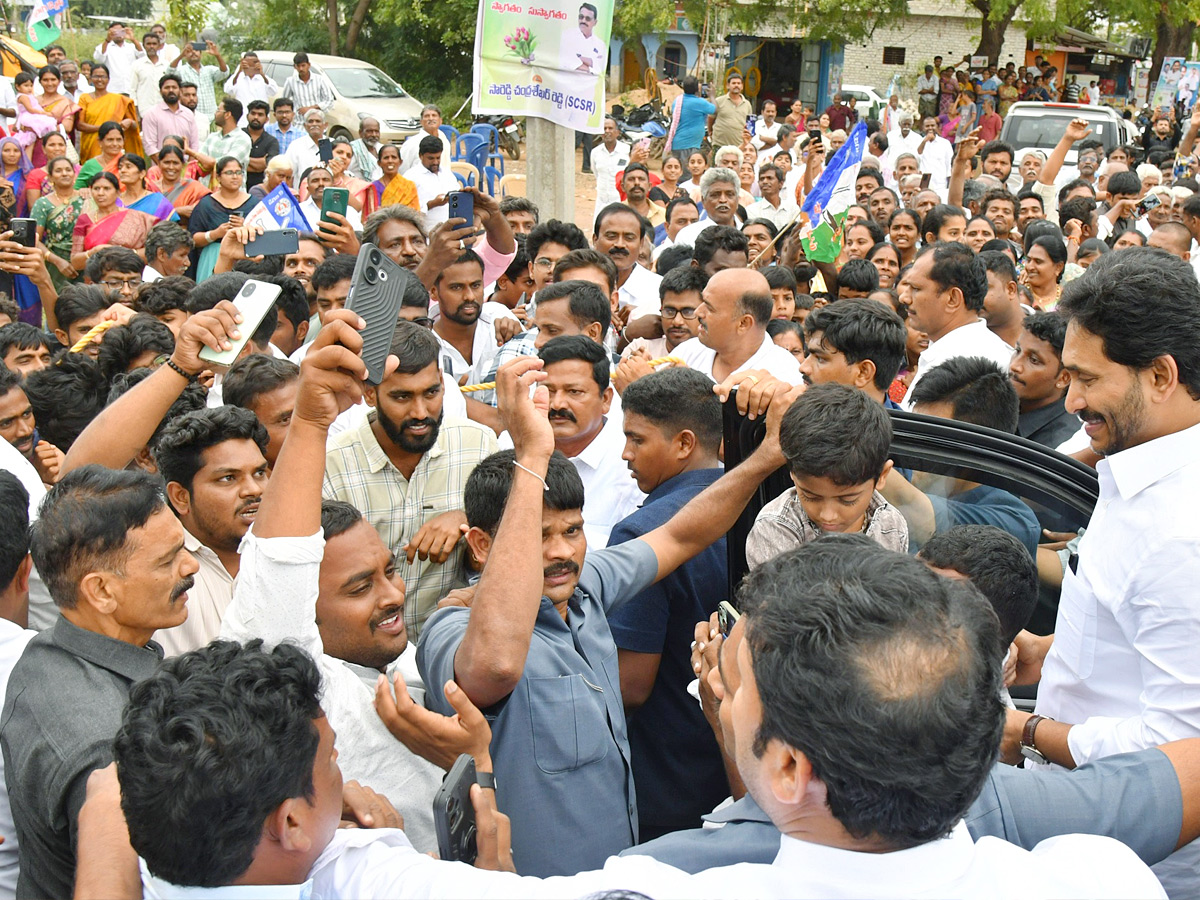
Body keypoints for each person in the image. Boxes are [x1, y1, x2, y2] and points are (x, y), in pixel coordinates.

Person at [1006, 247, 1200, 895]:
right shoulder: (1136, 460)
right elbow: (1140, 630)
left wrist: (1030, 731)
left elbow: (1180, 746)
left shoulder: (1181, 531)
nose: (1074, 397)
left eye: (1088, 378)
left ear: (1161, 375)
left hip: (1142, 863)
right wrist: (1049, 653)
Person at [0, 465, 200, 898]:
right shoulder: (107, 747)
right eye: (168, 560)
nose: (191, 565)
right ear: (102, 592)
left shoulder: (50, 650)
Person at [604, 367, 730, 840]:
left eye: (636, 439)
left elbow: (630, 685)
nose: (625, 453)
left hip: (668, 780)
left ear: (683, 443)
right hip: (742, 772)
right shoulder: (762, 506)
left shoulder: (642, 534)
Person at [322, 321, 497, 637]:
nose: (420, 412)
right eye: (402, 397)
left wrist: (469, 518)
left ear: (444, 383)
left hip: (453, 646)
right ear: (370, 394)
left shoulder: (479, 445)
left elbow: (509, 539)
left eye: (431, 392)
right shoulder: (333, 465)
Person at [746, 383, 907, 569]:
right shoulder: (776, 528)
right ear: (792, 473)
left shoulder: (891, 526)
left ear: (882, 476)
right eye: (810, 496)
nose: (828, 515)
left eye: (847, 500)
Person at [901, 242, 1016, 408]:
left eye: (916, 288)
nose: (904, 298)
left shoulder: (974, 368)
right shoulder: (946, 348)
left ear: (953, 299)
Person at [673, 267, 803, 383]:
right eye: (703, 302)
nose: (698, 312)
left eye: (710, 308)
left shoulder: (783, 375)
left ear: (743, 323)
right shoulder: (687, 352)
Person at [1008, 310, 1078, 449]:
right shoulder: (1001, 407)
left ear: (1064, 378)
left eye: (1033, 360)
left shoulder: (1060, 446)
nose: (1015, 365)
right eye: (1017, 350)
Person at [70, 172, 157, 274]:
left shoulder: (137, 218)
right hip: (96, 281)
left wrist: (120, 253)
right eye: (96, 188)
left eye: (106, 189)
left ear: (118, 192)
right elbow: (75, 262)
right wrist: (93, 252)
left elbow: (152, 252)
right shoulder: (84, 219)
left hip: (130, 276)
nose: (100, 193)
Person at [187, 156, 255, 280]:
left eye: (238, 172)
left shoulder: (254, 203)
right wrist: (215, 234)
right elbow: (193, 239)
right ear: (218, 177)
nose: (235, 176)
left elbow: (263, 232)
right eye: (229, 173)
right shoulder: (206, 204)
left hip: (246, 258)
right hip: (213, 256)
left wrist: (245, 227)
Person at [31, 155, 84, 290]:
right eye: (59, 171)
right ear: (50, 177)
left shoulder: (86, 199)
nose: (64, 173)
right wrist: (57, 261)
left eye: (68, 170)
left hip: (85, 260)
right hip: (55, 264)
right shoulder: (43, 203)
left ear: (74, 174)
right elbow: (34, 239)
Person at [76, 65, 143, 164]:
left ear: (108, 79)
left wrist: (129, 121)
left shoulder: (119, 100)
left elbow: (134, 126)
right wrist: (105, 129)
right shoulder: (84, 98)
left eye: (103, 76)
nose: (99, 79)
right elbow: (80, 125)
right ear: (90, 78)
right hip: (90, 146)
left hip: (113, 145)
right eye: (96, 76)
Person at [191, 97, 252, 189]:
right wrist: (208, 162)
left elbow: (225, 164)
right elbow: (200, 163)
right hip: (207, 194)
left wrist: (190, 151)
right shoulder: (212, 137)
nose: (215, 113)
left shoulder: (243, 139)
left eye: (218, 110)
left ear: (227, 114)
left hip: (233, 197)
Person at [140, 73, 199, 160]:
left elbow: (194, 144)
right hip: (161, 168)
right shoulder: (151, 114)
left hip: (186, 168)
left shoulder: (188, 114)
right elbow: (150, 146)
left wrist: (188, 168)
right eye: (167, 88)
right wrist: (164, 166)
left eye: (174, 87)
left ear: (180, 91)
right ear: (160, 91)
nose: (171, 90)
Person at [408, 134, 459, 227]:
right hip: (425, 232)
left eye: (438, 158)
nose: (435, 162)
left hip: (450, 230)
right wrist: (432, 204)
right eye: (431, 158)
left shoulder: (447, 174)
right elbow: (406, 210)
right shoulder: (410, 177)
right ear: (420, 156)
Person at [152, 143, 209, 223]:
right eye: (167, 162)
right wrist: (177, 211)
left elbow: (204, 212)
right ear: (159, 163)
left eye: (175, 163)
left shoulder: (193, 187)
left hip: (184, 233)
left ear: (182, 165)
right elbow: (143, 214)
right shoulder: (150, 188)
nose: (171, 167)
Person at [978, 249, 1024, 348]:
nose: (974, 297)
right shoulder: (966, 343)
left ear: (1010, 289)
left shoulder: (1046, 334)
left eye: (983, 288)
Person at [116, 153, 177, 222]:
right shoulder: (116, 202)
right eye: (120, 167)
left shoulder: (157, 200)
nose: (122, 171)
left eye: (128, 167)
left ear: (142, 173)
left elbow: (170, 228)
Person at [664, 75, 714, 158]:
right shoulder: (700, 103)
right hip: (689, 146)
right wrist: (712, 96)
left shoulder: (677, 101)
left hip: (677, 144)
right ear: (696, 88)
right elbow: (714, 109)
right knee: (688, 170)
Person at [223, 53, 279, 126]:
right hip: (242, 121)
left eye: (254, 63)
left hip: (260, 122)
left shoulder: (263, 79)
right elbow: (228, 90)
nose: (250, 66)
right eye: (247, 62)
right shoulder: (237, 78)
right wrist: (239, 71)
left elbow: (274, 91)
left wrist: (262, 74)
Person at [398, 105, 452, 176]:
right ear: (421, 122)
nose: (431, 118)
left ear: (440, 121)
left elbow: (447, 167)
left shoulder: (445, 141)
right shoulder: (411, 143)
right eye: (427, 116)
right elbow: (402, 169)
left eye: (434, 115)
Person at [73, 120, 128, 188]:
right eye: (110, 140)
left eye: (119, 140)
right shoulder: (90, 165)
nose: (115, 144)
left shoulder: (129, 164)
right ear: (100, 142)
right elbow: (76, 191)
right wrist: (84, 191)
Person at [281, 51, 335, 117]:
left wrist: (310, 108)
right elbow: (284, 101)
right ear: (295, 67)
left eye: (303, 65)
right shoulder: (290, 81)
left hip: (317, 121)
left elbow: (329, 101)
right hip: (299, 122)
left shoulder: (320, 80)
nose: (301, 69)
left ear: (309, 65)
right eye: (298, 66)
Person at [93, 22, 140, 96]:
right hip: (113, 89)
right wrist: (107, 40)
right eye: (115, 31)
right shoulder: (104, 47)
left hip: (130, 88)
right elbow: (100, 59)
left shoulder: (132, 46)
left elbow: (142, 55)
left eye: (120, 31)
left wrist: (133, 39)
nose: (118, 34)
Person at [709, 73, 752, 152]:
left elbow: (749, 125)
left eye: (739, 83)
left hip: (739, 146)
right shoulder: (719, 101)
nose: (736, 85)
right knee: (717, 164)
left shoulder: (747, 104)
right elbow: (711, 118)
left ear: (742, 86)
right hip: (719, 145)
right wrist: (710, 132)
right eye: (733, 83)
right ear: (728, 86)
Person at [242, 99, 279, 191]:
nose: (256, 117)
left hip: (261, 190)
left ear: (266, 119)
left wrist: (241, 161)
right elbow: (229, 160)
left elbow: (268, 165)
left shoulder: (272, 141)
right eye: (253, 113)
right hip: (238, 187)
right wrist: (259, 163)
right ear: (247, 116)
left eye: (260, 114)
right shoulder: (238, 135)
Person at [370, 142, 416, 210]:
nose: (390, 161)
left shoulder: (409, 186)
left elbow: (414, 211)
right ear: (379, 163)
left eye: (394, 157)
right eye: (386, 158)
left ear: (400, 162)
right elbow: (373, 211)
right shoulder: (373, 187)